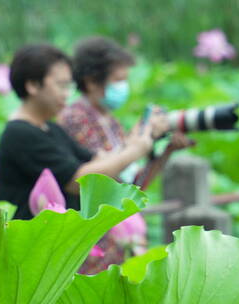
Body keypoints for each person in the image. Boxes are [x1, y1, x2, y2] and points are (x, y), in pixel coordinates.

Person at [57, 37, 192, 274]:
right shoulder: (75, 119)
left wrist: (163, 151)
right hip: (94, 248)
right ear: (91, 82)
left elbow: (131, 186)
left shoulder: (111, 121)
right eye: (118, 80)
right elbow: (97, 180)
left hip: (121, 245)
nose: (123, 87)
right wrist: (136, 146)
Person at [0, 44, 154, 220]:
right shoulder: (20, 133)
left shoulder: (52, 129)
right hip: (32, 244)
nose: (67, 94)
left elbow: (98, 160)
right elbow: (78, 181)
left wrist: (138, 139)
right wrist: (133, 151)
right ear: (32, 85)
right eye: (61, 85)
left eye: (68, 86)